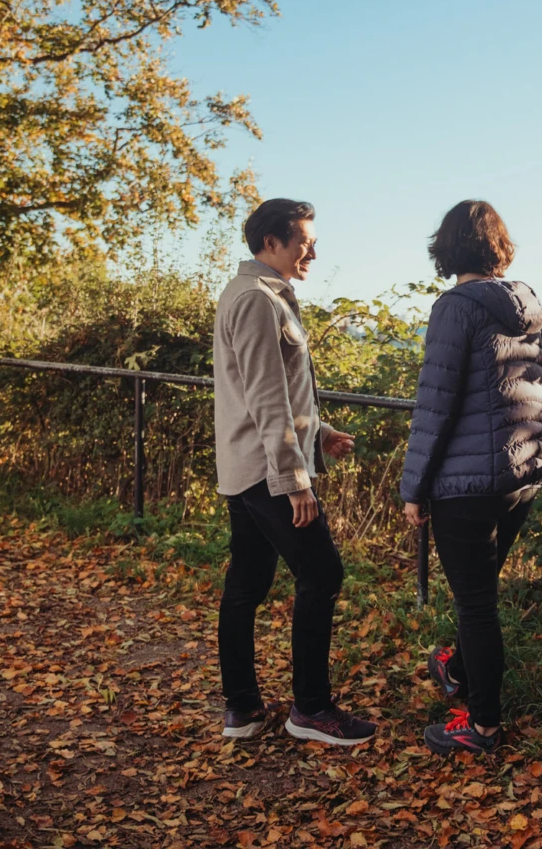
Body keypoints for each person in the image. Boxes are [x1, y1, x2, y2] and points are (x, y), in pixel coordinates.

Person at [212, 198, 376, 745]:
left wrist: (318, 432)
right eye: (305, 242)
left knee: (247, 584)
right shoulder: (257, 300)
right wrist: (295, 478)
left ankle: (242, 709)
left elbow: (272, 389)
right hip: (268, 471)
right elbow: (265, 396)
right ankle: (311, 709)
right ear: (272, 242)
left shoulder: (254, 293)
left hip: (250, 464)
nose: (313, 252)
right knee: (322, 574)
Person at [400, 199, 542, 756]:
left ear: (447, 248)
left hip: (467, 486)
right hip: (522, 472)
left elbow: (434, 406)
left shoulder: (454, 308)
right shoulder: (526, 305)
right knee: (480, 593)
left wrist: (414, 489)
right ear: (498, 247)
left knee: (476, 606)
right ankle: (459, 670)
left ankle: (482, 727)